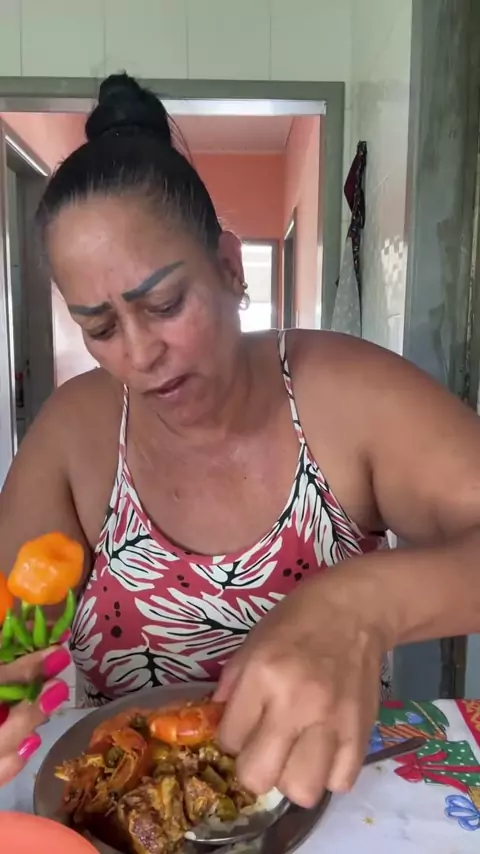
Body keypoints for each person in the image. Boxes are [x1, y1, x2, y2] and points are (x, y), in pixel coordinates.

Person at [1, 72, 480, 806]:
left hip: (335, 811)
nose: (139, 353)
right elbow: (13, 632)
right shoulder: (74, 434)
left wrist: (361, 603)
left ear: (229, 267)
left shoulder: (346, 395)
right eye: (100, 327)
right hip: (127, 825)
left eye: (165, 304)